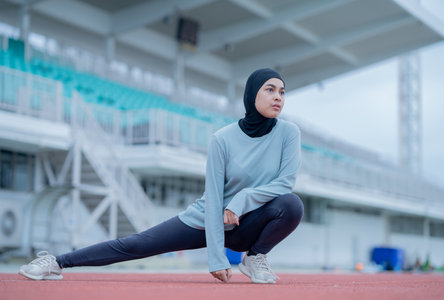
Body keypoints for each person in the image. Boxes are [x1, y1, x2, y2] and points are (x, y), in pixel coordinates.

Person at [19, 68, 304, 284]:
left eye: (282, 92)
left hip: (247, 223)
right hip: (208, 218)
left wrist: (241, 200)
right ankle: (56, 262)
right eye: (270, 90)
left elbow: (284, 183)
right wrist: (216, 257)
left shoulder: (288, 133)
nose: (278, 97)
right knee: (136, 244)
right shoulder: (223, 139)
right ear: (252, 93)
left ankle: (255, 258)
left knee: (291, 204)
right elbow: (215, 196)